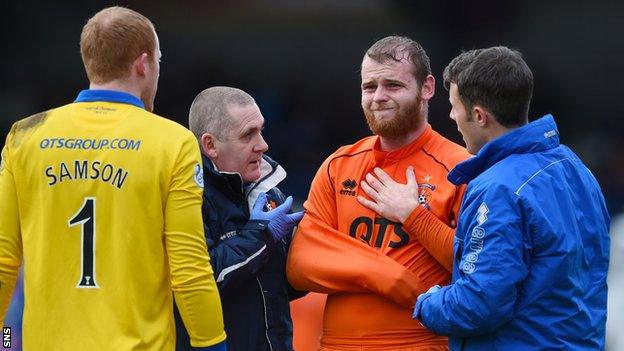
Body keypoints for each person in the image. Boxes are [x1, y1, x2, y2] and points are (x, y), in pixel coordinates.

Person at [0, 7, 226, 351]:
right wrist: (211, 344)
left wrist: (3, 340)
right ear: (142, 64)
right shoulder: (172, 142)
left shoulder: (25, 136)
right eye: (158, 60)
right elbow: (189, 266)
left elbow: (3, 258)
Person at [362, 47, 611, 350]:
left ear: (479, 116)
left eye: (454, 107)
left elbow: (479, 304)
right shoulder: (575, 167)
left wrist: (424, 301)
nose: (452, 116)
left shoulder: (498, 188)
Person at [286, 35, 470, 350]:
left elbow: (479, 265)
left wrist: (414, 217)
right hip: (336, 344)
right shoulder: (338, 165)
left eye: (393, 86)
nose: (378, 97)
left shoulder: (461, 167)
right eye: (369, 87)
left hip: (420, 342)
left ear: (426, 88)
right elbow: (301, 263)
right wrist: (384, 275)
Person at [179, 86, 305, 351]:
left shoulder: (270, 191)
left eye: (261, 130)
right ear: (210, 145)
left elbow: (283, 287)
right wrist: (261, 235)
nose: (263, 144)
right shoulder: (186, 197)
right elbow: (204, 279)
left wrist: (308, 257)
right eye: (248, 135)